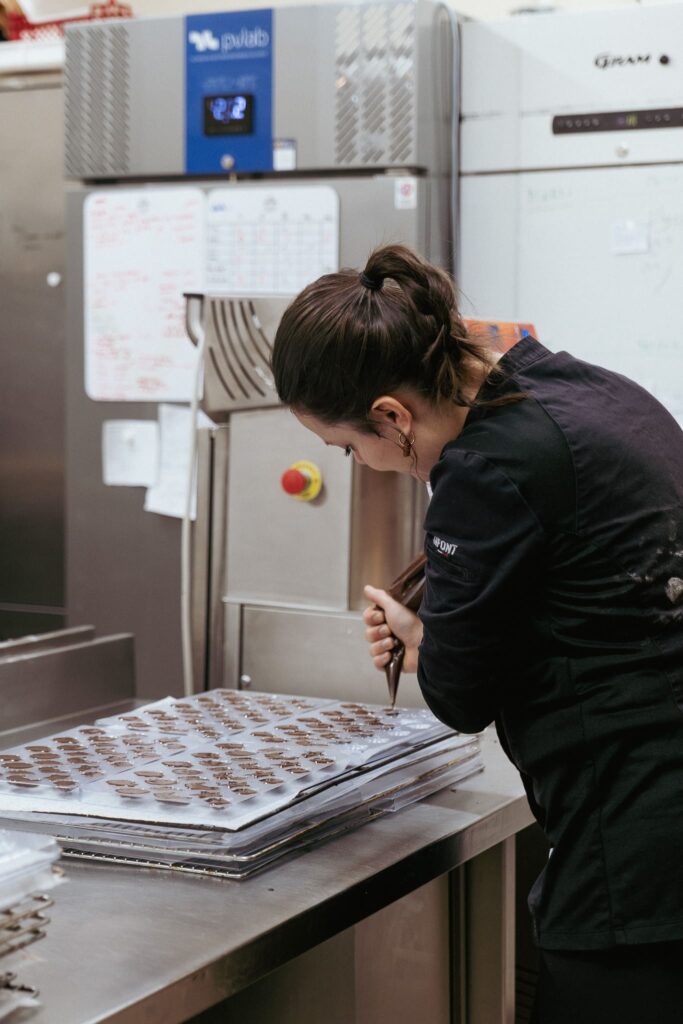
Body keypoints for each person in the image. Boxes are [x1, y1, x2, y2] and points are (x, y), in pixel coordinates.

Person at [271, 243, 683, 1024]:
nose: (364, 466)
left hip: (634, 851)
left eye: (349, 448)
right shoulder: (591, 392)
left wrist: (423, 642)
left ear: (391, 416)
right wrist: (445, 629)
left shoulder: (485, 468)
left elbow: (460, 697)